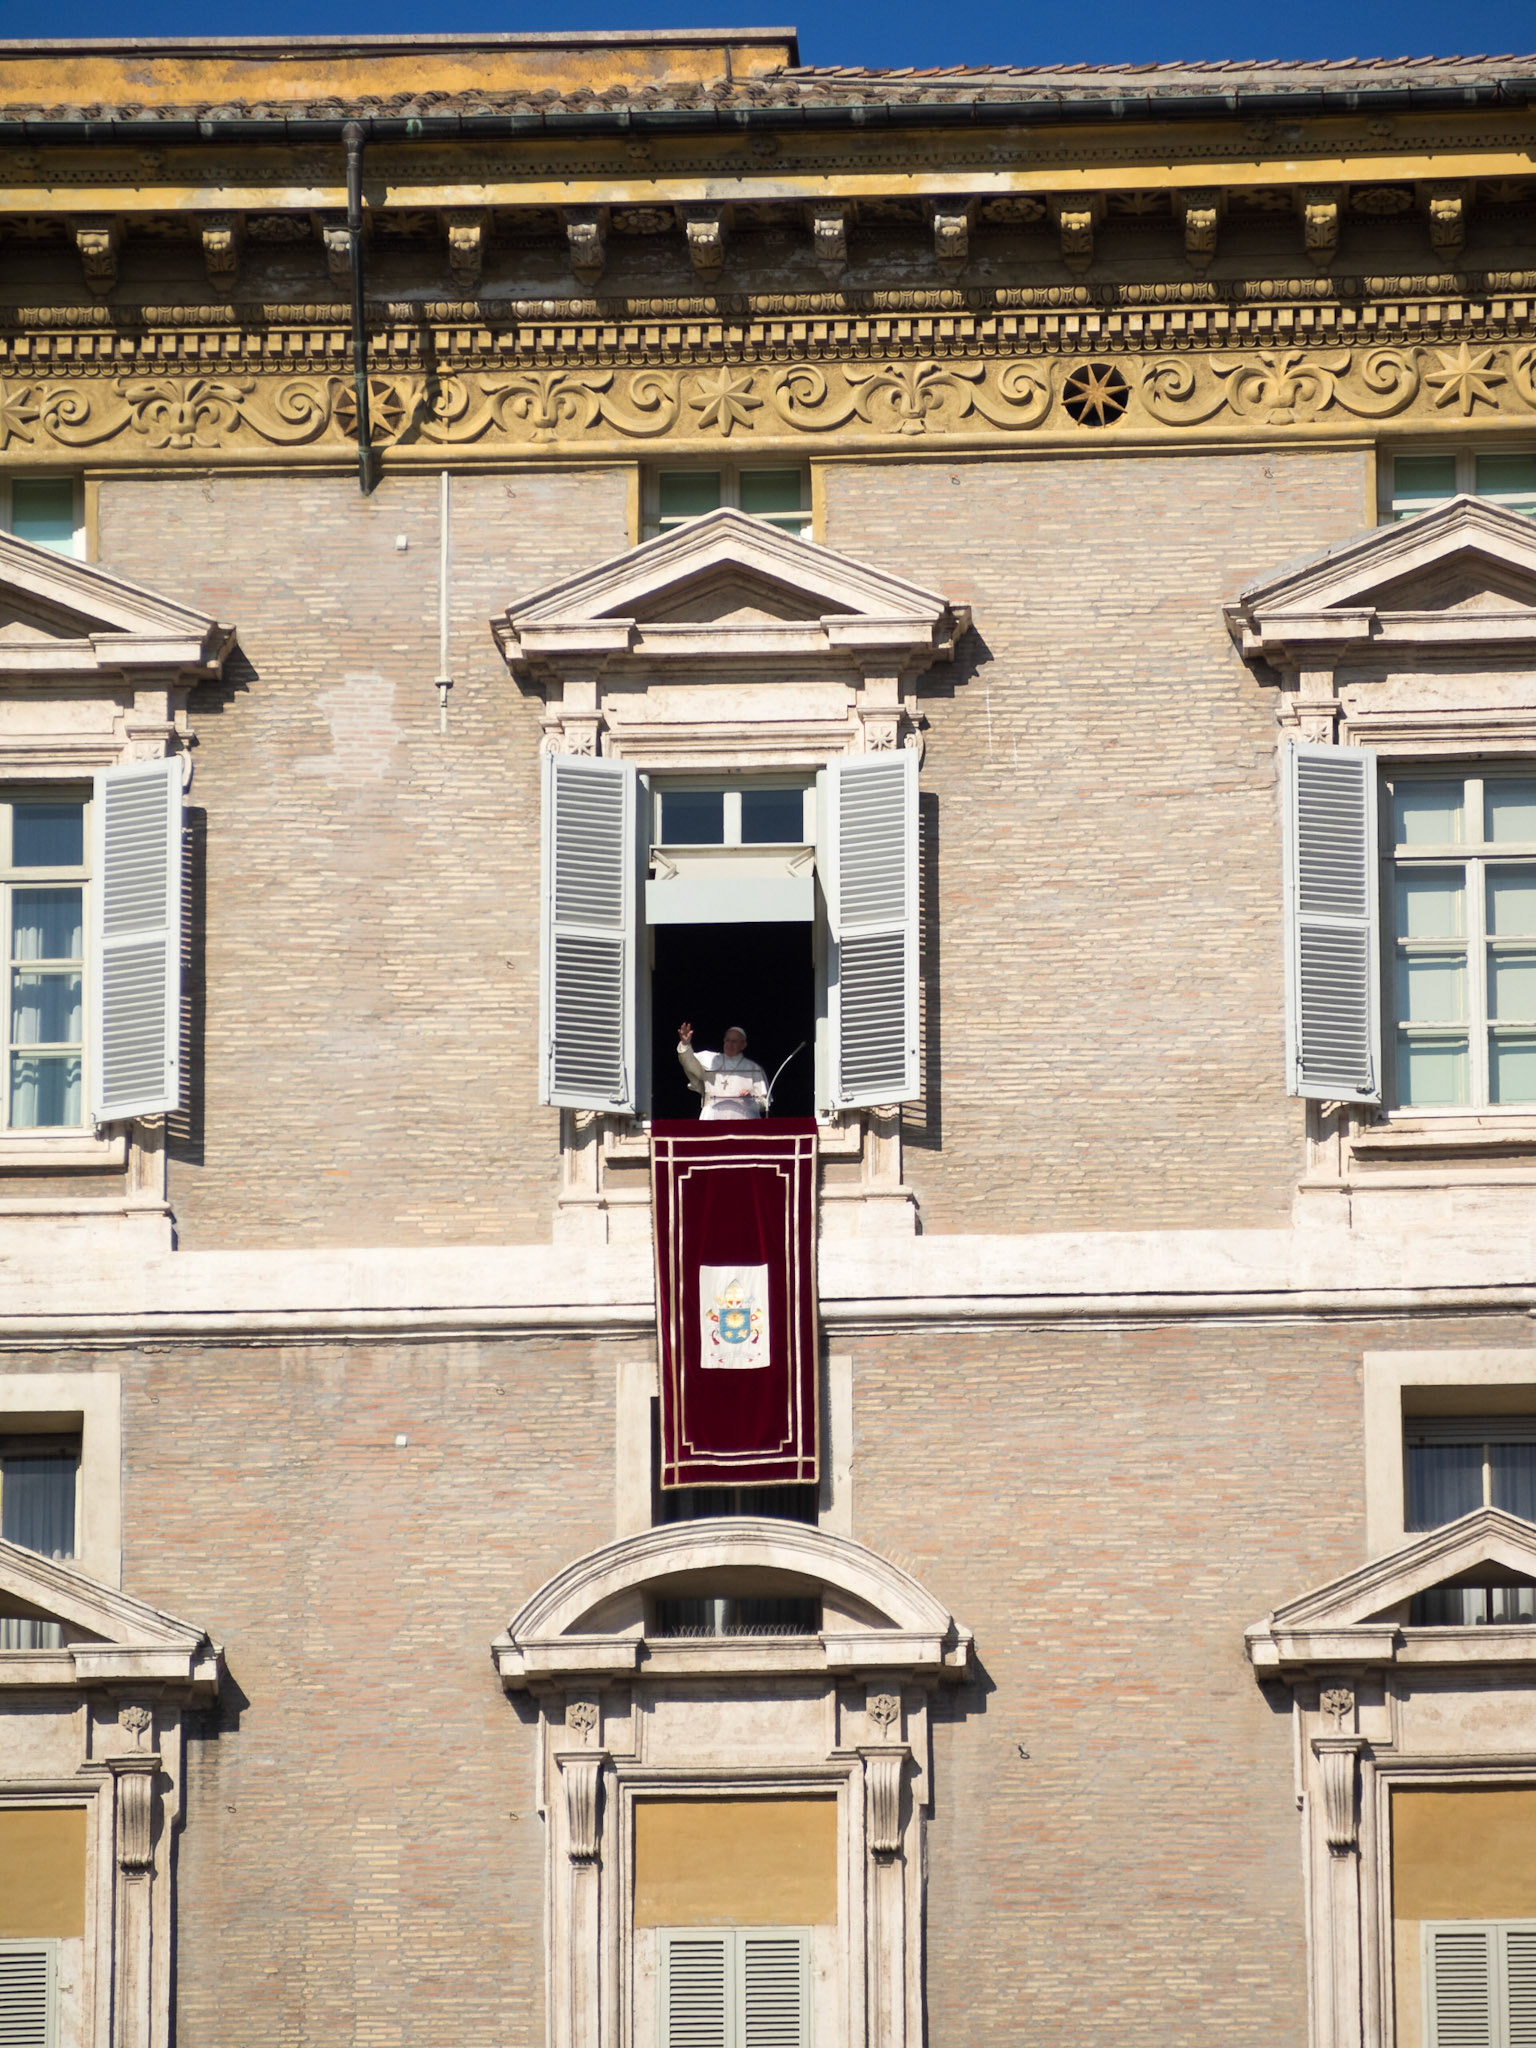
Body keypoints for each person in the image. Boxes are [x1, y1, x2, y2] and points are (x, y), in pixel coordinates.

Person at [677, 1021, 769, 1121]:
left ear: (743, 1044)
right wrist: (685, 1044)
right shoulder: (711, 1060)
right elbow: (689, 1063)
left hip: (743, 1118)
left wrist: (751, 1100)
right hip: (712, 1117)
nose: (729, 1044)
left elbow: (765, 1103)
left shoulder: (753, 1068)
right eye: (727, 1040)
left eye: (734, 1041)